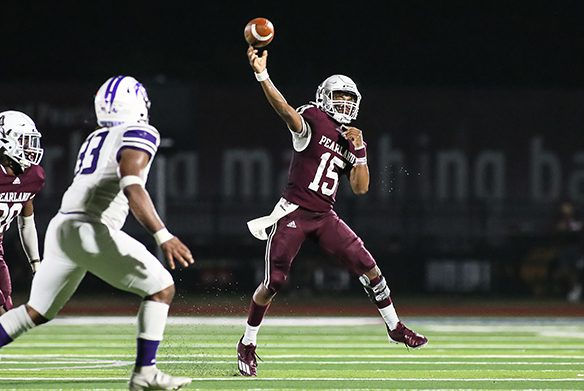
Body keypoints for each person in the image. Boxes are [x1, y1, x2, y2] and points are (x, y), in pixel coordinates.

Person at [236, 46, 428, 377]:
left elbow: (362, 186)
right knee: (275, 282)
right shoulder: (312, 120)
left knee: (371, 269)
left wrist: (361, 151)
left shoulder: (349, 137)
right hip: (293, 212)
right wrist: (262, 74)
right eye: (338, 97)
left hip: (324, 216)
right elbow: (283, 109)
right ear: (324, 98)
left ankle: (395, 327)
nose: (344, 104)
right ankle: (247, 342)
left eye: (349, 99)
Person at [0, 76, 194, 391]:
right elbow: (131, 185)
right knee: (162, 288)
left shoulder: (96, 138)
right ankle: (145, 373)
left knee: (34, 312)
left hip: (62, 227)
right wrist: (163, 235)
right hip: (88, 227)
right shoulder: (140, 132)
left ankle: (146, 373)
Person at [0, 111, 45, 315]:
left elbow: (26, 223)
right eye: (24, 141)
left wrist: (36, 264)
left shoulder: (32, 176)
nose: (30, 147)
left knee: (5, 310)